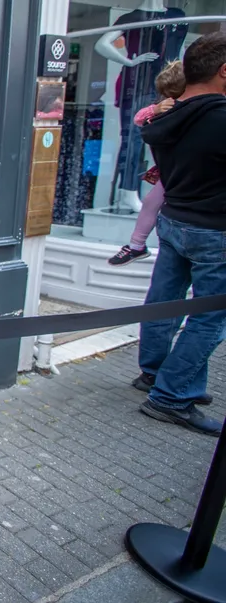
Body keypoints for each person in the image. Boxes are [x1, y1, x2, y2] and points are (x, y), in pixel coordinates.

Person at [135, 32, 226, 436]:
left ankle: (158, 374)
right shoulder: (216, 118)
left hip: (174, 222)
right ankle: (171, 396)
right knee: (207, 320)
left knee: (164, 303)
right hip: (213, 230)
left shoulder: (164, 115)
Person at [108, 60, 184, 266]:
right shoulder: (163, 108)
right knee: (151, 202)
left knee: (154, 202)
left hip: (179, 171)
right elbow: (139, 118)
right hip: (171, 170)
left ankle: (136, 245)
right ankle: (136, 245)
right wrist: (157, 110)